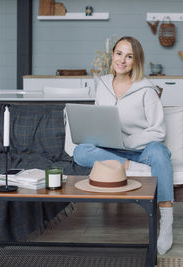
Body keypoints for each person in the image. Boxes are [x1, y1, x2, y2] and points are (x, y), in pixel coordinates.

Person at [73, 36, 174, 255]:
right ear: (113, 55)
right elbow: (98, 119)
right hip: (112, 149)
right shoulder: (102, 85)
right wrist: (98, 135)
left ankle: (166, 222)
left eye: (129, 56)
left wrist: (128, 141)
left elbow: (158, 131)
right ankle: (133, 168)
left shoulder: (146, 90)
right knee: (80, 151)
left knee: (160, 154)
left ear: (136, 61)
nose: (122, 60)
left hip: (142, 150)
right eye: (119, 53)